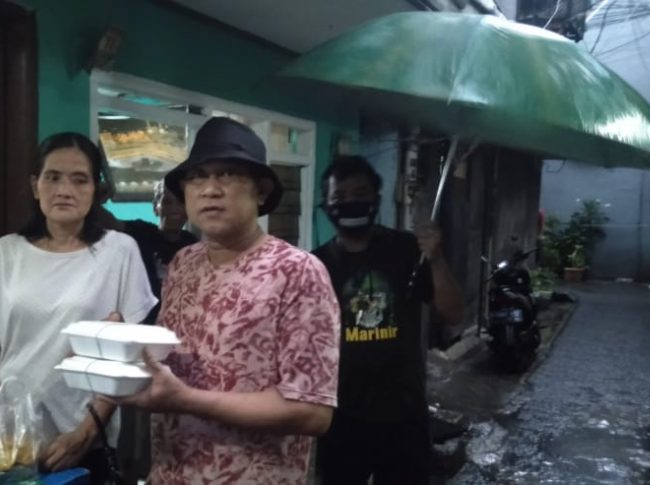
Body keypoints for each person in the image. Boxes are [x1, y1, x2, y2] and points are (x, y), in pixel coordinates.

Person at [118, 117, 341, 484]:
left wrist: (185, 400)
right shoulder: (183, 263)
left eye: (227, 174)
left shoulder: (297, 271)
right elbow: (171, 363)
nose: (210, 189)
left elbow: (312, 411)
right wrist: (117, 346)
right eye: (197, 177)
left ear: (261, 192)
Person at [0, 132, 157, 483]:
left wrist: (88, 430)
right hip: (12, 431)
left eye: (79, 179)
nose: (64, 190)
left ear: (95, 189)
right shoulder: (6, 252)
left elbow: (129, 355)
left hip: (82, 433)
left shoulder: (119, 252)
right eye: (53, 177)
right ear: (35, 185)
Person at [312, 155, 464, 485]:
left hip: (403, 416)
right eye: (340, 197)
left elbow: (453, 313)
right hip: (341, 417)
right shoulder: (315, 265)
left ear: (376, 199)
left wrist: (437, 260)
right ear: (326, 205)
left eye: (360, 194)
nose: (350, 203)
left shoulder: (409, 250)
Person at [119, 181, 198, 323]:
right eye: (167, 202)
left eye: (181, 202)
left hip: (180, 321)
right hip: (142, 322)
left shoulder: (193, 244)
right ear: (156, 207)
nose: (175, 209)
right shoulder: (141, 232)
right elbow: (106, 222)